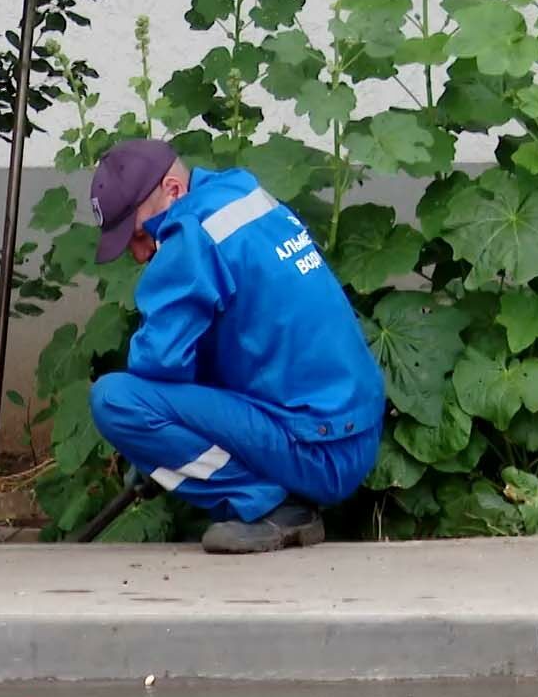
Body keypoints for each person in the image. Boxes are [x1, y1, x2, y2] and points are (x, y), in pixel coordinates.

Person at [85, 139, 385, 554]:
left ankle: (273, 507)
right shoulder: (238, 193)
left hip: (316, 448)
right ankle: (280, 497)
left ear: (173, 190)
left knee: (115, 400)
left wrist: (159, 450)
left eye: (138, 235)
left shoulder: (191, 234)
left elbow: (158, 363)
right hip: (356, 430)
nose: (139, 254)